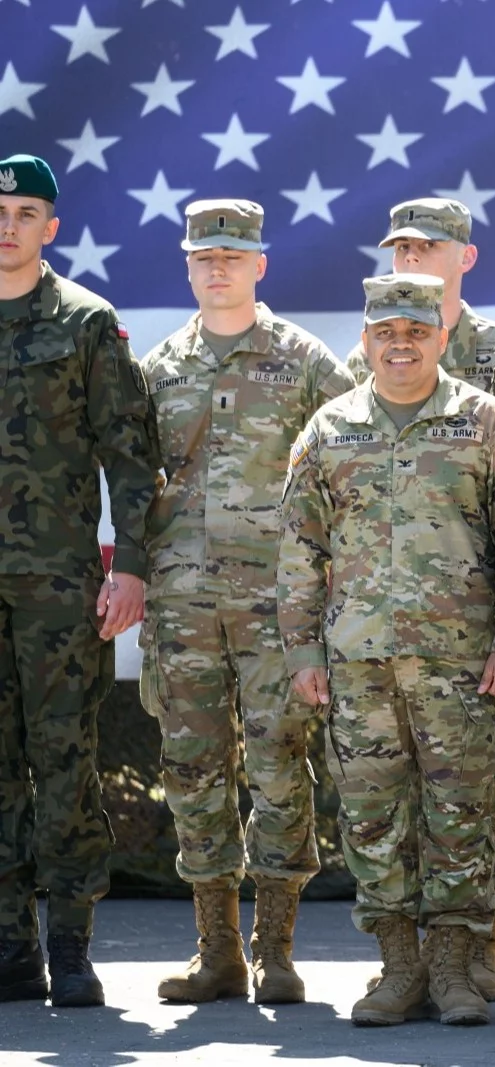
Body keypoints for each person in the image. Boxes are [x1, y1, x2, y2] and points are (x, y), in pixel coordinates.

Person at [277, 273, 495, 1027]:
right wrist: (302, 652)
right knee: (372, 816)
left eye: (415, 330)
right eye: (386, 331)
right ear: (367, 338)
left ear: (441, 335)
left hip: (460, 660)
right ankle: (398, 967)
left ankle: (452, 966)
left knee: (460, 811)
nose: (401, 343)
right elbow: (297, 545)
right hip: (358, 659)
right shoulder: (328, 428)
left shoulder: (484, 423)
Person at [140, 199, 354, 1006]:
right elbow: (139, 485)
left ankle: (277, 949)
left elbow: (343, 473)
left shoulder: (304, 362)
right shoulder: (160, 367)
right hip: (183, 607)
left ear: (260, 264)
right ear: (190, 266)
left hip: (276, 608)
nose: (218, 267)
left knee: (278, 769)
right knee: (193, 772)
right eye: (205, 256)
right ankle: (216, 949)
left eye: (234, 255)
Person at [348, 196, 495, 1003]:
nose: (413, 256)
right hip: (381, 630)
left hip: (477, 621)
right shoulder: (367, 365)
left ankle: (481, 942)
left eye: (429, 245)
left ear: (466, 253)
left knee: (492, 785)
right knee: (394, 795)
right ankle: (411, 959)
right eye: (400, 245)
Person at [0, 153, 162, 1007]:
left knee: (64, 764)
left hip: (57, 589)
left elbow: (130, 458)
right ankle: (7, 948)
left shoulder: (86, 322)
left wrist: (128, 565)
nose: (9, 225)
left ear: (50, 228)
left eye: (26, 212)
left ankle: (69, 944)